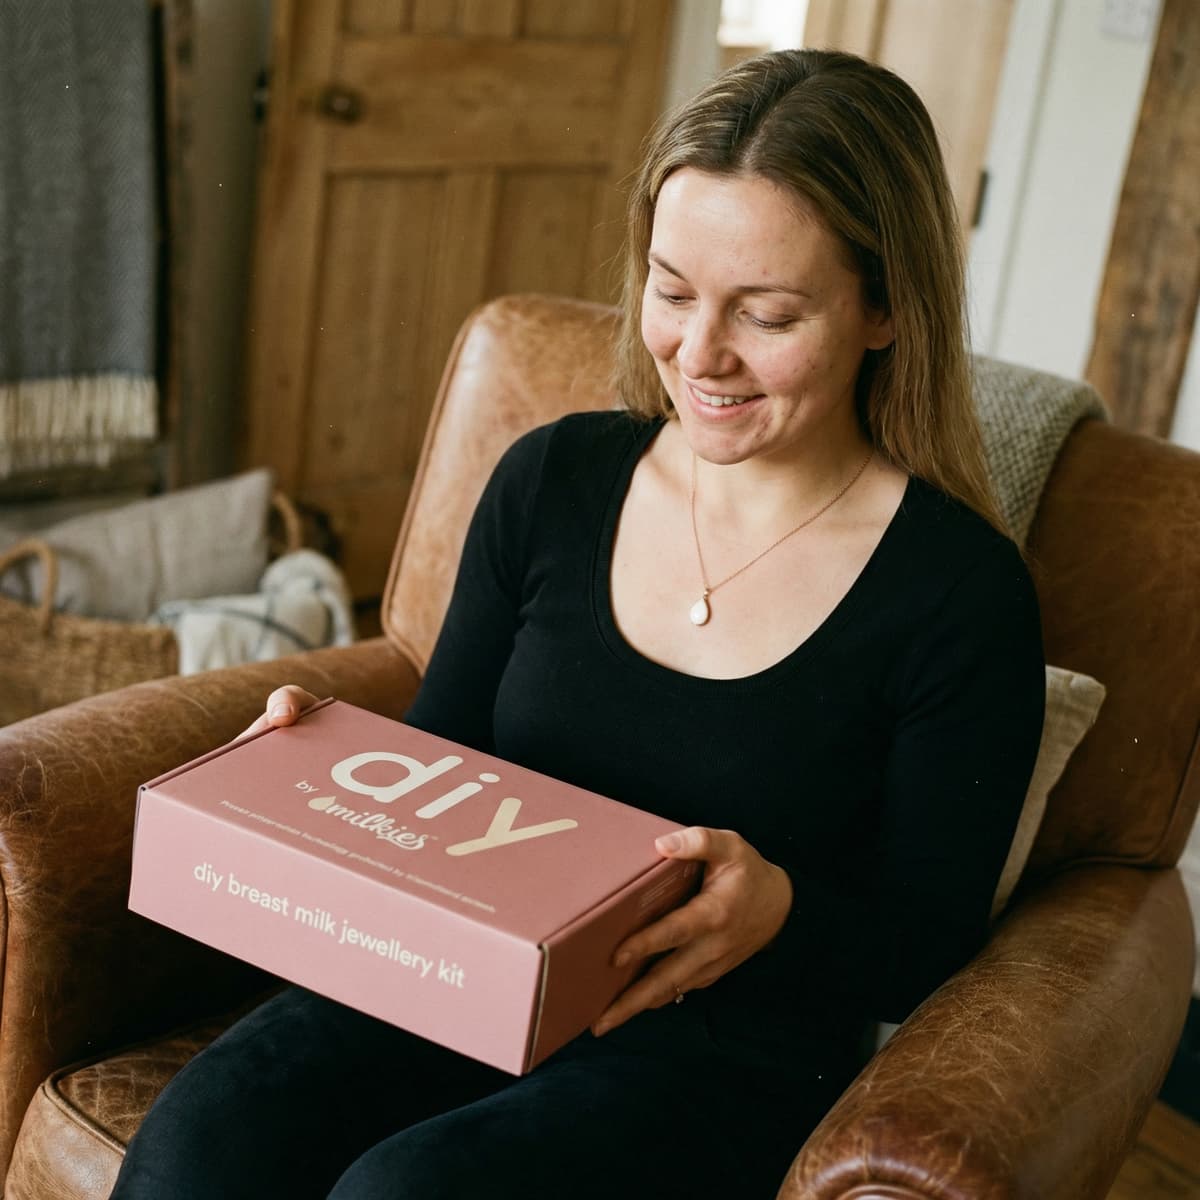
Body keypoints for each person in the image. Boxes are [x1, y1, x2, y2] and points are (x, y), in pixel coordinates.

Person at [110, 48, 1044, 1200]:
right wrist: (328, 771)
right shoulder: (552, 480)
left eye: (767, 313)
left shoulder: (959, 592)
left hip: (715, 1041)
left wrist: (782, 911)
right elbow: (445, 758)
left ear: (886, 307)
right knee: (198, 1148)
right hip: (458, 970)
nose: (700, 355)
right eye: (672, 289)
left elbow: (930, 933)